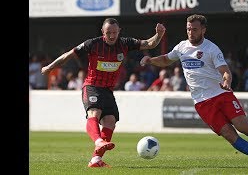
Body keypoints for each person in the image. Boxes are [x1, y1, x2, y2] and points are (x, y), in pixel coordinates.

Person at [140, 14, 248, 169]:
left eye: (194, 29)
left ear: (203, 30)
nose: (191, 32)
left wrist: (227, 81)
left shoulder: (211, 49)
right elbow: (166, 59)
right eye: (188, 29)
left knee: (243, 127)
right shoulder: (181, 47)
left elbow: (225, 71)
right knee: (229, 135)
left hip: (221, 94)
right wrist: (150, 60)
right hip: (202, 102)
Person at [41, 18, 166, 168]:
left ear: (119, 31)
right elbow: (68, 55)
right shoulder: (92, 44)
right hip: (92, 86)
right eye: (108, 33)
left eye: (114, 32)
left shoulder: (125, 43)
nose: (112, 36)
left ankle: (95, 160)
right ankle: (98, 141)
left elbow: (150, 43)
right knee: (94, 112)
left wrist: (159, 35)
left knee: (110, 121)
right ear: (103, 32)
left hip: (107, 90)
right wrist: (49, 67)